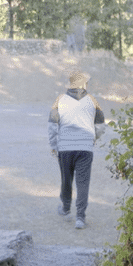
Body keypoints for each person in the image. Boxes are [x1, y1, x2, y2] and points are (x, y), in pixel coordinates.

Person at [48, 71, 105, 229]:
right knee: (83, 182)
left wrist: (53, 145)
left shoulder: (59, 100)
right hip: (85, 148)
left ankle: (66, 208)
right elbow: (100, 125)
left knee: (66, 180)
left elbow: (52, 125)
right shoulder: (92, 101)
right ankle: (80, 217)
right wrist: (94, 137)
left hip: (65, 148)